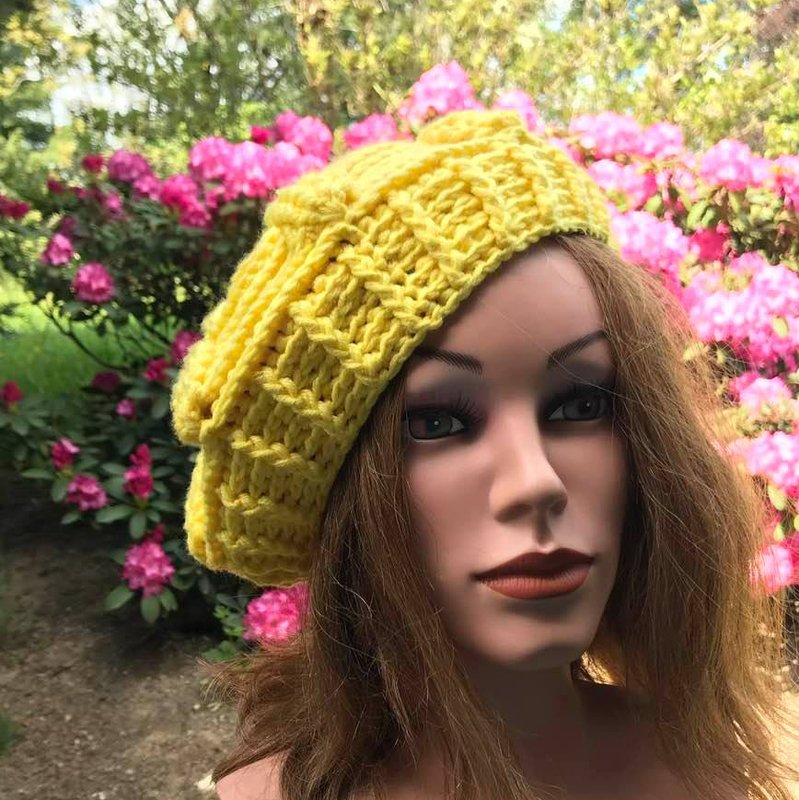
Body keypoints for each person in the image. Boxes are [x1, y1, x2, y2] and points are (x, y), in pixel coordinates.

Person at [170, 110, 799, 800]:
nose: (535, 483)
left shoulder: (694, 767)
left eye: (580, 406)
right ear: (340, 489)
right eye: (437, 422)